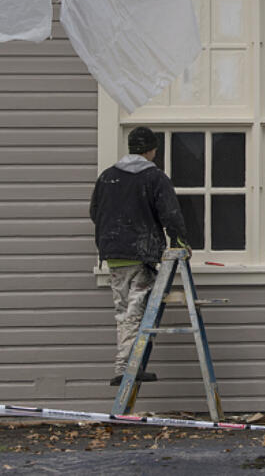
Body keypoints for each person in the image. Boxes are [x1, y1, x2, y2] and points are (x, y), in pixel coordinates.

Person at [89, 126, 188, 385]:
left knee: (124, 312)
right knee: (136, 313)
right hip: (141, 255)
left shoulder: (107, 177)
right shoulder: (154, 177)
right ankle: (126, 368)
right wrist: (179, 242)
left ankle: (127, 365)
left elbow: (94, 212)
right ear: (152, 150)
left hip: (114, 255)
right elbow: (171, 214)